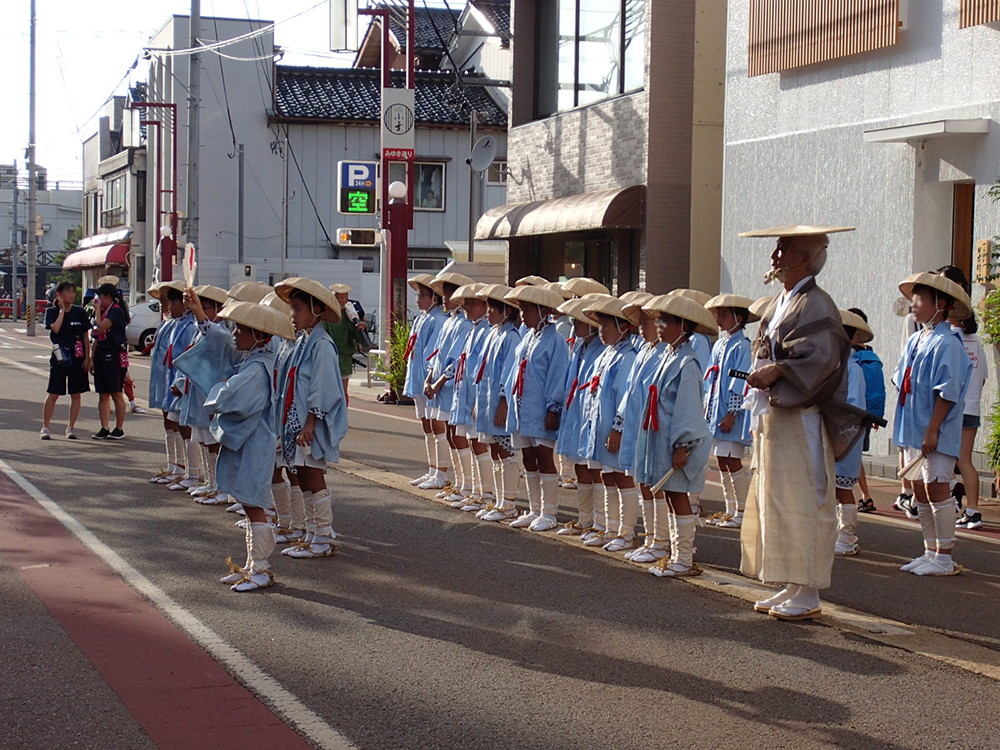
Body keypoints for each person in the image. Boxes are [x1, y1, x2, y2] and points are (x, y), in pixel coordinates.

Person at [739, 225, 854, 621]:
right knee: (776, 497)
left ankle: (809, 591)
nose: (774, 256)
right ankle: (791, 581)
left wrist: (778, 370)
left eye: (782, 248)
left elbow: (821, 359)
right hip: (775, 414)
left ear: (804, 258)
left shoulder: (818, 303)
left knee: (804, 498)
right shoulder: (778, 302)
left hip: (801, 414)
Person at [203, 300, 295, 591]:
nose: (235, 334)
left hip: (256, 443)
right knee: (249, 503)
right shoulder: (254, 360)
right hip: (251, 441)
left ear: (257, 335)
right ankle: (251, 565)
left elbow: (234, 397)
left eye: (241, 329)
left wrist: (217, 394)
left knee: (255, 506)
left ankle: (261, 568)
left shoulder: (257, 368)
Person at [893, 271, 972, 576]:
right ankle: (929, 550)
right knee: (919, 490)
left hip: (935, 429)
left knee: (937, 488)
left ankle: (945, 555)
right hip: (914, 426)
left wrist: (932, 429)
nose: (914, 304)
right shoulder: (917, 337)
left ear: (941, 303)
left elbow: (948, 392)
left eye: (921, 298)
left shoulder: (948, 342)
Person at [634, 294, 716, 578]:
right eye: (660, 319)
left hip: (676, 441)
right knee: (670, 495)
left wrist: (682, 445)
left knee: (679, 495)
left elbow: (688, 409)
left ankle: (684, 558)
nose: (659, 324)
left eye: (666, 320)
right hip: (662, 438)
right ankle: (675, 554)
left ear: (684, 325)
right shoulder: (669, 355)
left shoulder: (688, 363)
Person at [274, 277, 349, 559]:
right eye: (291, 308)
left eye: (297, 309)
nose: (292, 315)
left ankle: (322, 538)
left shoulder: (322, 345)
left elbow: (324, 388)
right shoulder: (304, 341)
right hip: (296, 423)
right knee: (301, 475)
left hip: (310, 425)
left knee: (314, 476)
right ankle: (309, 533)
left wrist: (309, 423)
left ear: (316, 309)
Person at [499, 284, 569, 531]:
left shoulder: (556, 340)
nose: (523, 315)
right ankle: (534, 508)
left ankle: (549, 512)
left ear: (542, 311)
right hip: (522, 407)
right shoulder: (527, 336)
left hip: (541, 408)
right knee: (528, 456)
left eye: (527, 310)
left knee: (544, 456)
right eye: (521, 310)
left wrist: (553, 408)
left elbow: (558, 375)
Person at [609, 293, 670, 563]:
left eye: (646, 323)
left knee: (655, 484)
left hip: (655, 427)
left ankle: (662, 540)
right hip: (637, 425)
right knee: (642, 481)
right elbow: (630, 392)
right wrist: (619, 424)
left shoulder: (664, 353)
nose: (641, 328)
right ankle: (650, 538)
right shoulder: (644, 350)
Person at [578, 297, 639, 552]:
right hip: (599, 426)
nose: (601, 331)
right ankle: (609, 528)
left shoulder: (628, 356)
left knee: (622, 478)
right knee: (606, 476)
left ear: (623, 327)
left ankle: (626, 532)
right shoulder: (607, 353)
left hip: (614, 428)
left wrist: (618, 427)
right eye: (600, 326)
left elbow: (625, 395)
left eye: (606, 326)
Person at [935, 266, 986, 531]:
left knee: (946, 459)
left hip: (952, 408)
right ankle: (974, 510)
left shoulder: (949, 340)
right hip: (972, 406)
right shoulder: (976, 342)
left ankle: (946, 506)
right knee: (964, 460)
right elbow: (983, 377)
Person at [702, 294, 757, 529]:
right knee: (722, 460)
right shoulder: (720, 343)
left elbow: (740, 380)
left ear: (739, 317)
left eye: (724, 314)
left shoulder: (742, 346)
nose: (720, 319)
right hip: (717, 409)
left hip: (731, 413)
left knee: (733, 460)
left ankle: (743, 509)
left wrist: (732, 413)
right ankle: (730, 508)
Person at [554, 298, 605, 537]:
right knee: (580, 467)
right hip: (576, 411)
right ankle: (585, 520)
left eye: (579, 321)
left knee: (595, 469)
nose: (574, 325)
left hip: (591, 414)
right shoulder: (580, 346)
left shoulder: (602, 349)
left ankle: (602, 522)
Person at [473, 284, 523, 522]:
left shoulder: (511, 336)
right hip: (487, 400)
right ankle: (499, 499)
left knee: (505, 450)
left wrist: (503, 402)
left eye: (493, 308)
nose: (488, 312)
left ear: (507, 310)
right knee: (494, 449)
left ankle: (510, 502)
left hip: (498, 402)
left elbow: (508, 372)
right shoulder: (494, 333)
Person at [176, 285, 230, 504]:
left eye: (206, 307)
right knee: (205, 441)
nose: (202, 311)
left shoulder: (223, 333)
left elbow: (213, 335)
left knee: (215, 442)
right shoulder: (203, 332)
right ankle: (211, 482)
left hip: (214, 395)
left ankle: (222, 487)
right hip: (200, 395)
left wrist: (198, 311)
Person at [423, 272, 476, 495]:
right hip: (441, 387)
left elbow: (456, 359)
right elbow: (436, 354)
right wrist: (429, 377)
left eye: (447, 293)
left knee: (458, 434)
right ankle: (459, 483)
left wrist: (439, 382)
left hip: (453, 388)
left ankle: (468, 485)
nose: (443, 297)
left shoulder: (463, 324)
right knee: (450, 434)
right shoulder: (450, 321)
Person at [446, 283, 493, 512]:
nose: (468, 307)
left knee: (479, 443)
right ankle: (474, 489)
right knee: (471, 441)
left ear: (485, 305)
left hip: (476, 395)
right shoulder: (473, 328)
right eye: (466, 303)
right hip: (464, 392)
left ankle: (486, 493)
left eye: (474, 303)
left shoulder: (485, 330)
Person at [833, 310, 875, 556]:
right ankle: (837, 534)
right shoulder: (836, 365)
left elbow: (855, 407)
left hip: (846, 435)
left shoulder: (853, 368)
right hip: (832, 433)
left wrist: (841, 434)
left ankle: (847, 537)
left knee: (843, 487)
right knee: (832, 486)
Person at [404, 275, 448, 487]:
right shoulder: (423, 317)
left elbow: (433, 354)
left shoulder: (438, 319)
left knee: (436, 425)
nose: (417, 299)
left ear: (435, 298)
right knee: (426, 425)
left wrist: (429, 379)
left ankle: (441, 473)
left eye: (422, 295)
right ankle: (432, 469)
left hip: (428, 380)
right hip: (419, 378)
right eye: (418, 294)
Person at [161, 284, 201, 488]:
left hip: (184, 384)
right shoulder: (175, 324)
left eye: (173, 303)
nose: (169, 307)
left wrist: (182, 382)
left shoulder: (191, 326)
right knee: (171, 423)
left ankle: (192, 471)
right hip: (173, 382)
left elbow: (190, 358)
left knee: (187, 428)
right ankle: (176, 465)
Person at [41, 281, 91, 440]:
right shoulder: (52, 311)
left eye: (73, 292)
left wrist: (88, 358)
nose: (72, 295)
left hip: (77, 356)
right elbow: (55, 328)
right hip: (59, 357)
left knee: (76, 394)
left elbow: (85, 335)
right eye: (68, 292)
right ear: (59, 294)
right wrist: (62, 310)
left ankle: (71, 428)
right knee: (53, 393)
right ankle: (46, 427)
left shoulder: (80, 312)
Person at [847, 307, 885, 513]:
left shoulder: (851, 358)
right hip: (867, 414)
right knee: (856, 455)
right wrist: (876, 415)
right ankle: (865, 496)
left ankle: (861, 496)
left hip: (850, 415)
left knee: (849, 456)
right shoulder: (870, 356)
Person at [147, 283, 181, 482]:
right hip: (163, 377)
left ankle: (183, 466)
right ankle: (172, 464)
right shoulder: (167, 322)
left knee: (179, 424)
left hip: (175, 379)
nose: (163, 305)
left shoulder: (183, 324)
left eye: (166, 301)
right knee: (167, 421)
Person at [90, 282, 130, 439]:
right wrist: (92, 358)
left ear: (108, 297)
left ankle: (119, 428)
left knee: (116, 392)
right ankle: (104, 427)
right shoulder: (105, 311)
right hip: (101, 352)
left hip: (113, 353)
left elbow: (100, 327)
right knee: (103, 393)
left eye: (99, 296)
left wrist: (96, 311)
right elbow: (96, 337)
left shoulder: (115, 311)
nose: (97, 299)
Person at [323, 283, 368, 406]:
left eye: (343, 297)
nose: (340, 300)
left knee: (342, 392)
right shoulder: (325, 315)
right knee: (327, 391)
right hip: (327, 358)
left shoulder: (350, 316)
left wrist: (361, 328)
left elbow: (360, 340)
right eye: (337, 296)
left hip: (344, 358)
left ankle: (341, 419)